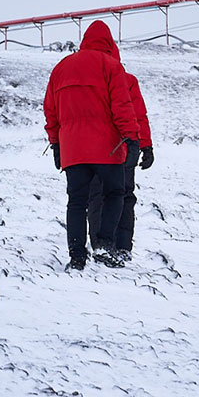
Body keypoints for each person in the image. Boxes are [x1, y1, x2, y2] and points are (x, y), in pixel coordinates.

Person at [43, 20, 139, 270]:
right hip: (107, 148)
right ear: (108, 43)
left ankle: (77, 255)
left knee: (76, 201)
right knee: (115, 194)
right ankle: (104, 244)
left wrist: (56, 144)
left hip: (73, 149)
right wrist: (132, 138)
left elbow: (51, 111)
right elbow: (122, 107)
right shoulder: (111, 66)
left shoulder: (61, 67)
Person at [87, 68, 154, 258]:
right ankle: (123, 246)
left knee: (97, 195)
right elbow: (138, 115)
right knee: (124, 195)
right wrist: (146, 145)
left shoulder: (84, 77)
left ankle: (99, 244)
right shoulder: (127, 79)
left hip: (92, 149)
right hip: (124, 147)